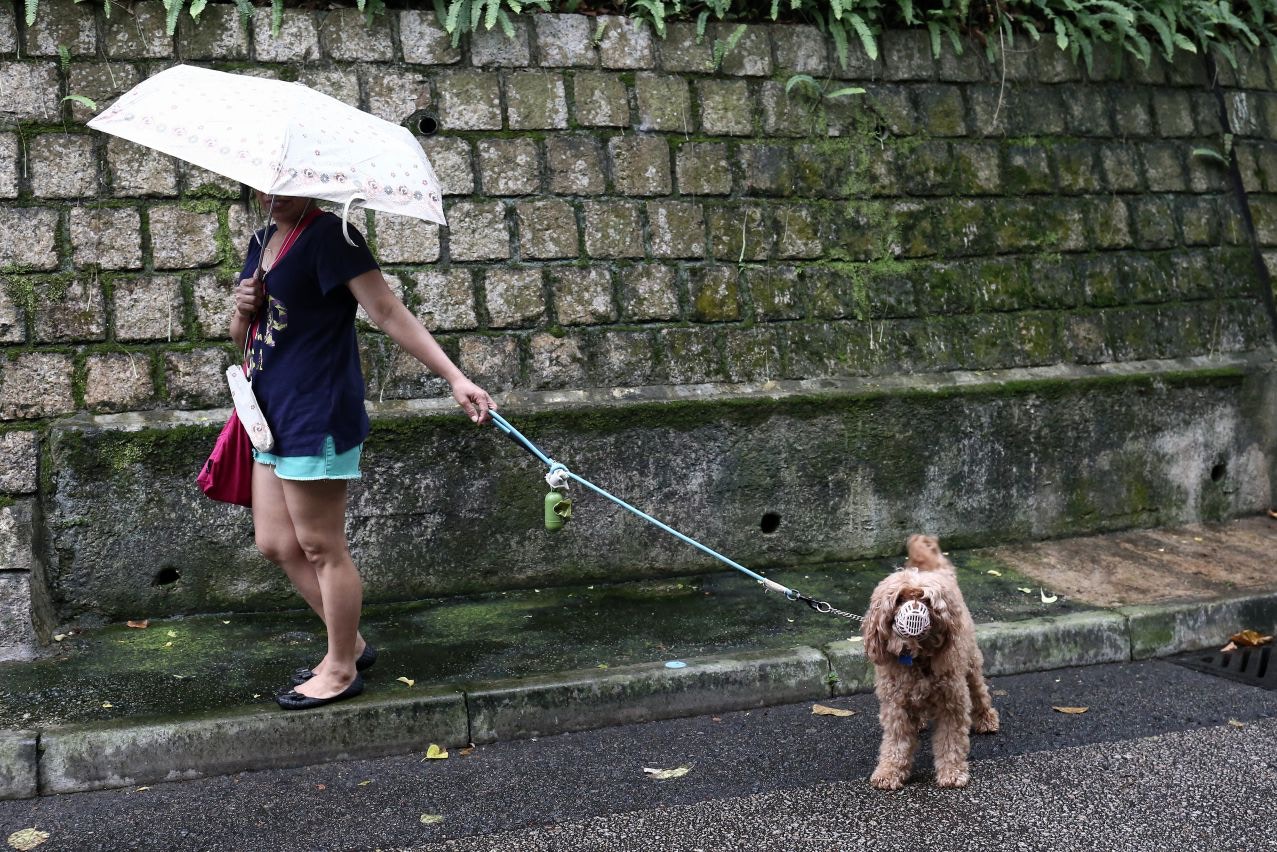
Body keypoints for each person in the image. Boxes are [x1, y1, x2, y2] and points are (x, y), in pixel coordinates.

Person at [229, 192, 495, 710]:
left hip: (316, 412)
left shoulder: (332, 235)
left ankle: (341, 668)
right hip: (268, 416)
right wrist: (243, 311)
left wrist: (454, 378)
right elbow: (244, 340)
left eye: (289, 182)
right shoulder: (262, 240)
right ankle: (348, 642)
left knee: (321, 546)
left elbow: (387, 310)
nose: (273, 194)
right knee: (276, 543)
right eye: (266, 184)